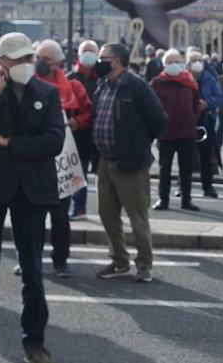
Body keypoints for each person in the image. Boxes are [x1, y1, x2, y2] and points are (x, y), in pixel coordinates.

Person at [0, 33, 65, 363]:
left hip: (32, 188)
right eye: (18, 60)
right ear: (1, 61)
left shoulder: (47, 93)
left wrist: (10, 144)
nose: (26, 65)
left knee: (33, 270)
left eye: (29, 58)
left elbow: (54, 140)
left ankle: (34, 341)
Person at [91, 43, 167, 283]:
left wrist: (138, 144)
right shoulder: (102, 85)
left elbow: (158, 120)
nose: (99, 61)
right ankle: (119, 260)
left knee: (137, 217)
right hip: (105, 162)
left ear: (119, 61)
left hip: (131, 163)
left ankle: (144, 264)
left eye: (104, 58)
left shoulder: (136, 86)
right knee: (107, 213)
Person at [33, 40, 92, 278]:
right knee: (32, 216)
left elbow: (88, 111)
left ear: (57, 62)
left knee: (60, 216)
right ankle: (30, 258)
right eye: (38, 57)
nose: (40, 62)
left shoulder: (73, 86)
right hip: (34, 158)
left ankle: (60, 260)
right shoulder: (26, 82)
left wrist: (76, 122)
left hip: (61, 158)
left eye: (45, 59)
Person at [150, 49, 206, 212]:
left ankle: (186, 199)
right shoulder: (157, 83)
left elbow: (197, 104)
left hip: (187, 132)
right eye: (170, 62)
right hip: (166, 133)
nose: (174, 65)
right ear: (164, 65)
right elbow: (150, 106)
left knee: (186, 169)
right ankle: (163, 199)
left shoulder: (189, 82)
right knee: (164, 168)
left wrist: (193, 119)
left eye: (177, 62)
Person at [67, 39, 99, 218]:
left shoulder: (102, 78)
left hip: (97, 132)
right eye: (85, 50)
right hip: (77, 132)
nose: (88, 53)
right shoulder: (70, 77)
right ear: (79, 54)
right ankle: (78, 207)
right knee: (77, 172)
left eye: (92, 51)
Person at [188, 48, 221, 197]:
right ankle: (183, 187)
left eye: (199, 60)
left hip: (205, 121)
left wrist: (206, 103)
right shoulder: (184, 78)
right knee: (186, 157)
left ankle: (207, 187)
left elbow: (219, 97)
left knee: (206, 157)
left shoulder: (210, 78)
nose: (197, 63)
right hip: (187, 121)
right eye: (193, 60)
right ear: (188, 63)